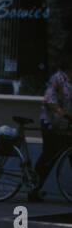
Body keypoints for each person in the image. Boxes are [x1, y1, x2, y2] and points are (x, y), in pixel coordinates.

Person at [30, 60, 72, 201]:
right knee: (49, 155)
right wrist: (63, 113)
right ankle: (34, 188)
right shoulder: (58, 78)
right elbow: (49, 100)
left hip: (64, 124)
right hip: (51, 122)